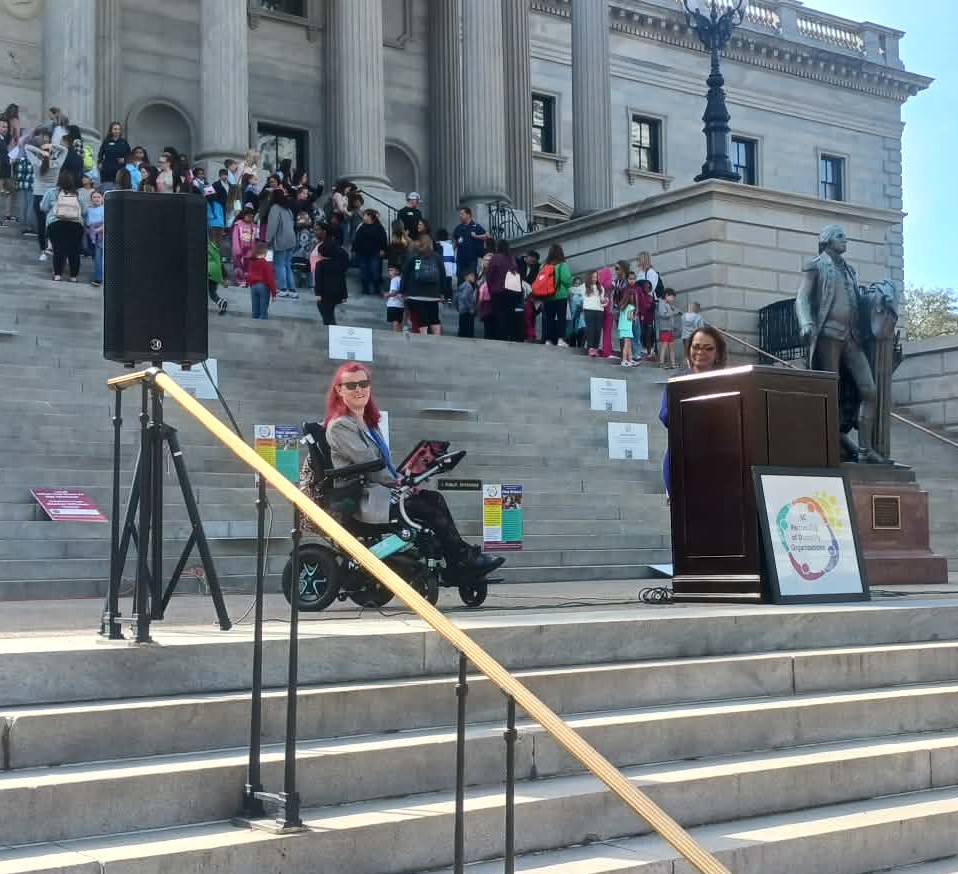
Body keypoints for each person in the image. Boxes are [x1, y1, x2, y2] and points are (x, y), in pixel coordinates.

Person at [323, 362, 504, 578]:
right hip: (361, 498)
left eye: (363, 383)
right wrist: (399, 483)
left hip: (379, 491)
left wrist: (405, 480)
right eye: (351, 385)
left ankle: (458, 560)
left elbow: (381, 466)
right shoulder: (340, 426)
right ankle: (461, 560)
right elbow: (369, 464)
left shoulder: (368, 424)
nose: (359, 389)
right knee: (426, 507)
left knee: (434, 499)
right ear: (339, 390)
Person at [659, 326, 727, 497]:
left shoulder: (728, 384)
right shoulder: (677, 382)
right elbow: (666, 416)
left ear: (718, 353)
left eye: (708, 348)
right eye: (696, 347)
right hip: (681, 462)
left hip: (719, 466)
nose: (700, 352)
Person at [24, 136, 67, 260]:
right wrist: (52, 146)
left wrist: (40, 151)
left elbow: (27, 147)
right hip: (53, 196)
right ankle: (51, 246)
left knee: (41, 224)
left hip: (38, 196)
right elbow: (65, 150)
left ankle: (43, 250)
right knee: (53, 223)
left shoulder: (37, 163)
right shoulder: (56, 164)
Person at [39, 169, 86, 281]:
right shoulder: (78, 194)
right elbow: (84, 211)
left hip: (56, 223)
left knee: (58, 250)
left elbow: (43, 207)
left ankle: (57, 275)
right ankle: (73, 276)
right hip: (76, 224)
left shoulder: (51, 192)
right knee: (74, 251)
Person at [401, 235, 445, 335]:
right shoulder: (437, 257)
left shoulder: (415, 257)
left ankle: (424, 339)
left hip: (416, 294)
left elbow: (406, 275)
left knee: (422, 320)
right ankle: (437, 340)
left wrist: (403, 291)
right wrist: (443, 292)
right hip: (433, 295)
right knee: (435, 319)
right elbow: (443, 275)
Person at [313, 221, 349, 325]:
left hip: (325, 292)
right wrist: (344, 295)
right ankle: (330, 324)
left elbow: (318, 280)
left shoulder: (320, 264)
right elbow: (342, 280)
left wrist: (318, 293)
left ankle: (330, 326)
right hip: (336, 292)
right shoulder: (338, 265)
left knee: (326, 311)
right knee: (329, 311)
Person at [486, 238, 520, 342]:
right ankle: (509, 335)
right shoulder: (511, 258)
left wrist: (490, 288)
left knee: (498, 314)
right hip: (511, 291)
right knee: (509, 314)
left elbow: (489, 275)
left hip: (497, 290)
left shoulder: (495, 258)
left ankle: (500, 336)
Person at [266, 188, 297, 299]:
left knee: (280, 264)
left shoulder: (275, 208)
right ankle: (292, 290)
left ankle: (283, 288)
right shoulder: (288, 209)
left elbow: (272, 226)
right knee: (288, 264)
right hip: (291, 239)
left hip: (281, 239)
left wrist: (268, 239)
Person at [541, 244, 572, 347]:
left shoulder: (544, 265)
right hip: (560, 295)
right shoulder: (562, 265)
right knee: (561, 318)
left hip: (547, 296)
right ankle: (560, 339)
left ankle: (548, 340)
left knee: (549, 318)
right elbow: (567, 280)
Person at [352, 208, 387, 296]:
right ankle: (365, 289)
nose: (363, 217)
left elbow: (383, 239)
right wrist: (354, 250)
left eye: (365, 215)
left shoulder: (379, 227)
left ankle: (377, 289)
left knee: (375, 272)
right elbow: (357, 239)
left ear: (370, 216)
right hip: (362, 253)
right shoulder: (362, 227)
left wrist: (383, 249)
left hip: (374, 254)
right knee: (364, 272)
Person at [452, 206, 488, 281]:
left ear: (468, 215)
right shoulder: (458, 228)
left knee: (471, 282)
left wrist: (476, 236)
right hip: (460, 261)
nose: (460, 216)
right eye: (460, 214)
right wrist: (451, 251)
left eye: (462, 214)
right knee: (460, 281)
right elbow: (454, 242)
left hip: (471, 261)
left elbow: (487, 236)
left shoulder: (476, 226)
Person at [247, 240, 277, 319]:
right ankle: (263, 324)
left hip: (253, 287)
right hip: (263, 287)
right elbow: (270, 279)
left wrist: (250, 285)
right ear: (264, 252)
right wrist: (274, 294)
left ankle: (254, 323)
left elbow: (249, 275)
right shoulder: (265, 263)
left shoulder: (252, 262)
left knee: (255, 311)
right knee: (263, 311)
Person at [97, 122, 130, 188]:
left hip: (120, 171)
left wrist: (125, 159)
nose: (117, 131)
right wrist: (100, 162)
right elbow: (100, 154)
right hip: (107, 170)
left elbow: (129, 155)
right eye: (115, 129)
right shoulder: (106, 141)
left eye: (119, 129)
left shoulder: (124, 142)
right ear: (111, 130)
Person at [231, 206, 257, 286]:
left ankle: (248, 280)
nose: (250, 216)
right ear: (243, 215)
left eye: (251, 215)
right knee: (239, 265)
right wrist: (237, 249)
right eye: (248, 214)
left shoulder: (254, 226)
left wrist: (254, 250)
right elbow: (235, 238)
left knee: (248, 266)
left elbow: (255, 239)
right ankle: (240, 280)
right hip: (239, 248)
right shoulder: (238, 224)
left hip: (249, 250)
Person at [582, 271, 606, 357]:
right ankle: (590, 348)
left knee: (598, 330)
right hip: (588, 310)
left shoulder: (601, 288)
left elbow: (602, 301)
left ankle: (596, 348)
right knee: (590, 329)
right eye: (593, 277)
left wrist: (604, 301)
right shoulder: (584, 287)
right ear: (589, 277)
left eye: (596, 277)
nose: (595, 279)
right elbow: (582, 298)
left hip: (599, 311)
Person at [85, 189, 105, 288]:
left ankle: (100, 278)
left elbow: (107, 222)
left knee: (100, 257)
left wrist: (98, 229)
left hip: (103, 235)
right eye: (94, 197)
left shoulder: (105, 209)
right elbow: (87, 223)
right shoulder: (88, 210)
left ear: (102, 198)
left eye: (98, 197)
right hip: (93, 236)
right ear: (91, 199)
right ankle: (99, 277)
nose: (96, 199)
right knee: (96, 258)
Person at [656, 289, 680, 369]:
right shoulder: (661, 304)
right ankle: (661, 363)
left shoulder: (667, 304)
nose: (672, 299)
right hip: (664, 329)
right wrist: (673, 313)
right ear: (667, 295)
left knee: (671, 347)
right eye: (672, 297)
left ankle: (673, 363)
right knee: (664, 346)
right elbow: (663, 314)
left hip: (669, 329)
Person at [206, 235, 229, 314]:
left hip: (210, 273)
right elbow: (220, 264)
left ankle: (221, 302)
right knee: (212, 293)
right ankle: (221, 302)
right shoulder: (215, 249)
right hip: (215, 274)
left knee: (211, 293)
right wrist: (225, 278)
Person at [617, 285, 637, 367]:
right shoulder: (631, 307)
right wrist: (634, 318)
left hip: (622, 327)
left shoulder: (622, 306)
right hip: (627, 327)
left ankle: (630, 359)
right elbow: (629, 317)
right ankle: (625, 360)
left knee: (627, 344)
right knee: (627, 344)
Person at [435, 228, 456, 303]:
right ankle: (449, 297)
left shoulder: (436, 245)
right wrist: (454, 269)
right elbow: (453, 258)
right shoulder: (449, 246)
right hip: (448, 266)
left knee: (441, 282)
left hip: (440, 267)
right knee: (448, 283)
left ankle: (442, 296)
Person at [455, 269, 478, 338]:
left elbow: (457, 297)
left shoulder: (462, 285)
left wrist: (457, 307)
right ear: (466, 277)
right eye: (472, 276)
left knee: (462, 328)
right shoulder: (468, 286)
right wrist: (470, 308)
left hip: (462, 310)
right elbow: (464, 297)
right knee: (468, 329)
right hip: (467, 311)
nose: (474, 277)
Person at [385, 265, 404, 332]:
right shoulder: (401, 279)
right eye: (389, 270)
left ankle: (395, 335)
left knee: (394, 322)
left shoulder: (394, 280)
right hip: (401, 305)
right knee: (399, 323)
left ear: (397, 271)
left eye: (392, 270)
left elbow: (394, 292)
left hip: (393, 304)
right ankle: (399, 335)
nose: (390, 272)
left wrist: (387, 295)